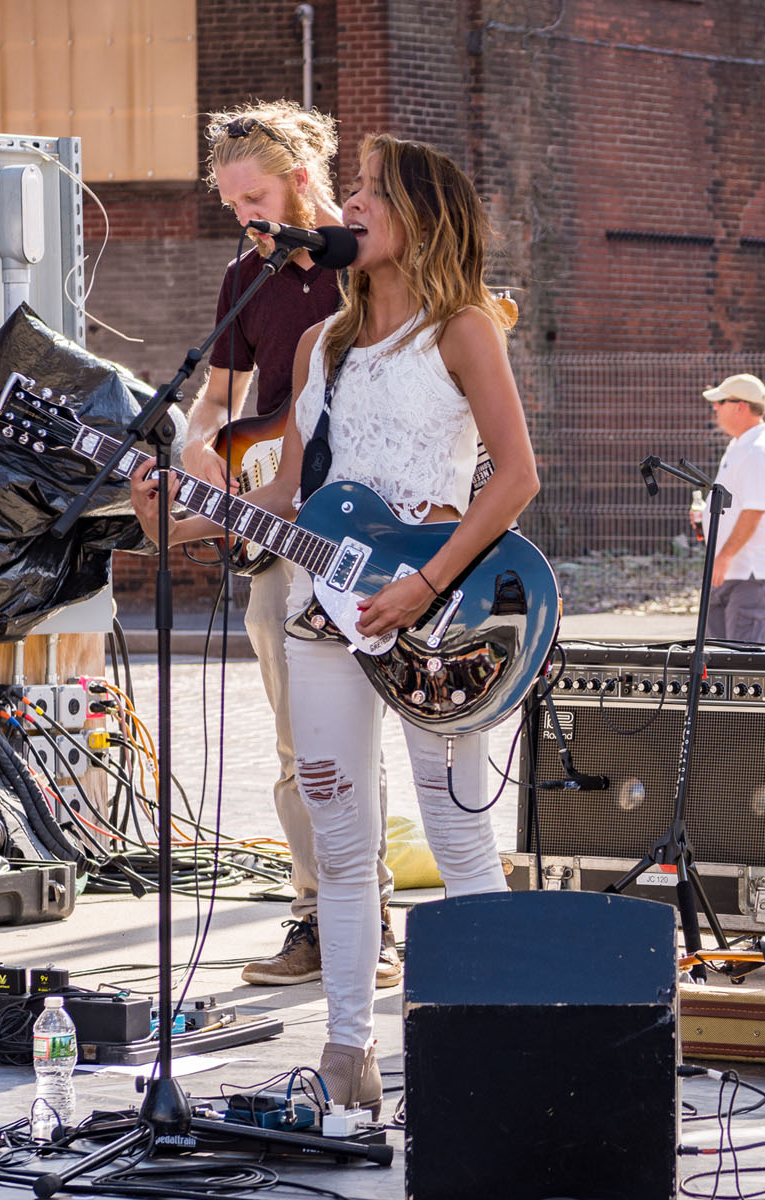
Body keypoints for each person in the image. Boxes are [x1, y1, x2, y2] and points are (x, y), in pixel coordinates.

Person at [132, 134, 538, 1111]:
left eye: (370, 192)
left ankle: (486, 1049)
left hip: (439, 616)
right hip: (322, 612)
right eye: (350, 189)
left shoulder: (463, 327)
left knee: (459, 840)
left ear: (420, 219)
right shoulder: (325, 346)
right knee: (343, 847)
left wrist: (429, 580)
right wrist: (174, 518)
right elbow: (285, 503)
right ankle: (347, 1054)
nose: (350, 204)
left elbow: (517, 479)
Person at [185, 100, 402, 992]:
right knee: (294, 738)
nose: (245, 215)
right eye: (232, 202)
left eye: (255, 196)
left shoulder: (373, 261)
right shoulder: (247, 274)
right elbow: (217, 401)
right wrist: (198, 445)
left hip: (378, 531)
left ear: (302, 178)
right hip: (278, 529)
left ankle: (374, 923)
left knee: (371, 733)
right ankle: (314, 917)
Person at [691, 373, 765, 643]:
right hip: (735, 570)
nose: (715, 407)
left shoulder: (757, 451)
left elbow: (754, 511)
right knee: (721, 656)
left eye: (720, 401)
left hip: (751, 571)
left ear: (741, 406)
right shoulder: (741, 445)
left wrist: (723, 557)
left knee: (744, 656)